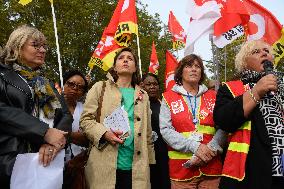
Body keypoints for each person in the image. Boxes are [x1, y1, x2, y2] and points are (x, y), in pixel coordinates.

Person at [0, 25, 71, 188]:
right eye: (36, 45)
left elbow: (66, 115)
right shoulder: (2, 76)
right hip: (10, 161)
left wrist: (53, 143)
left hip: (46, 161)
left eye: (44, 46)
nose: (43, 50)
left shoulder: (46, 83)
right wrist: (44, 132)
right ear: (17, 46)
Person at [80, 47, 155, 189]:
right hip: (103, 165)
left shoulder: (143, 95)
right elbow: (85, 120)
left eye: (130, 58)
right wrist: (104, 134)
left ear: (135, 68)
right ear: (115, 67)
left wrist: (149, 164)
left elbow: (148, 134)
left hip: (137, 168)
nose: (125, 60)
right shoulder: (99, 87)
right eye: (121, 58)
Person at [214, 40, 284, 189]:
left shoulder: (281, 85)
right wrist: (256, 91)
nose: (264, 53)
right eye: (256, 52)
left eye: (266, 50)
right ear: (244, 62)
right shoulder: (230, 88)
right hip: (251, 173)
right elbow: (223, 120)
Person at [160, 54, 226, 189]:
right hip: (182, 170)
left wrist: (210, 150)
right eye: (189, 66)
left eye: (197, 66)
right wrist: (195, 147)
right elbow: (166, 131)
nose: (194, 69)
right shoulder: (168, 97)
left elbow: (224, 126)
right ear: (181, 71)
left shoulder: (214, 96)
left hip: (212, 169)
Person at [141, 73, 171, 189]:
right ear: (142, 86)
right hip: (144, 154)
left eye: (155, 84)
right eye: (148, 84)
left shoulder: (164, 105)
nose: (152, 87)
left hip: (163, 154)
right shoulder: (137, 106)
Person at [62, 70, 89, 157]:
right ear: (63, 84)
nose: (75, 88)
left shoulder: (86, 110)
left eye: (80, 87)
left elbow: (88, 138)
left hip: (77, 161)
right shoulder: (50, 105)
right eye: (71, 84)